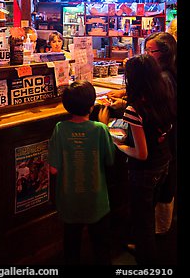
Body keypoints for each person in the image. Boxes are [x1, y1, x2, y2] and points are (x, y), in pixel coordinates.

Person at [111, 54, 174, 265]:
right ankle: (144, 247)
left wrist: (118, 144)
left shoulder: (134, 110)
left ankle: (147, 259)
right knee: (149, 210)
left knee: (143, 220)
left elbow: (141, 153)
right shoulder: (163, 94)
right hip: (164, 161)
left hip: (145, 170)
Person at [48, 80, 115, 265]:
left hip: (69, 202)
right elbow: (110, 160)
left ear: (66, 106)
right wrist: (105, 126)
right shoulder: (101, 129)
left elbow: (53, 169)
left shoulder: (60, 129)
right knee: (101, 248)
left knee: (71, 247)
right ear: (92, 106)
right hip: (97, 202)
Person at [144, 32, 177, 235]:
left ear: (163, 53)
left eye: (150, 51)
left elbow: (158, 107)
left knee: (164, 182)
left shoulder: (164, 77)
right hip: (170, 133)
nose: (147, 55)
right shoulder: (167, 72)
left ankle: (158, 229)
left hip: (167, 136)